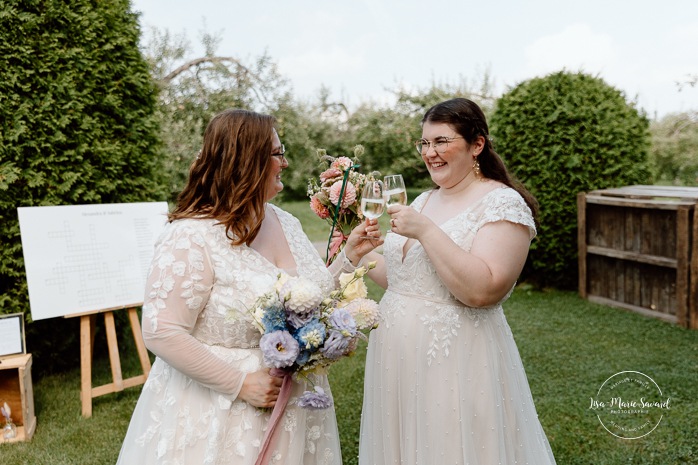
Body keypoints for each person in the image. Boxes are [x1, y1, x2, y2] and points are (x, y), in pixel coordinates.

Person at [116, 109, 380, 465]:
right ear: (245, 160)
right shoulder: (191, 235)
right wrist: (240, 383)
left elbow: (308, 295)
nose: (284, 163)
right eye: (277, 153)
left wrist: (348, 257)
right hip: (220, 412)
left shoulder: (284, 220)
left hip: (296, 403)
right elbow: (161, 331)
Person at [343, 98, 557, 464]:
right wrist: (359, 255)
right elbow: (404, 279)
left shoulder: (502, 204)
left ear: (477, 145)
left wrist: (426, 231)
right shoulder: (425, 199)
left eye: (441, 141)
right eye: (424, 143)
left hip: (455, 358)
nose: (430, 153)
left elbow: (485, 290)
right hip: (395, 357)